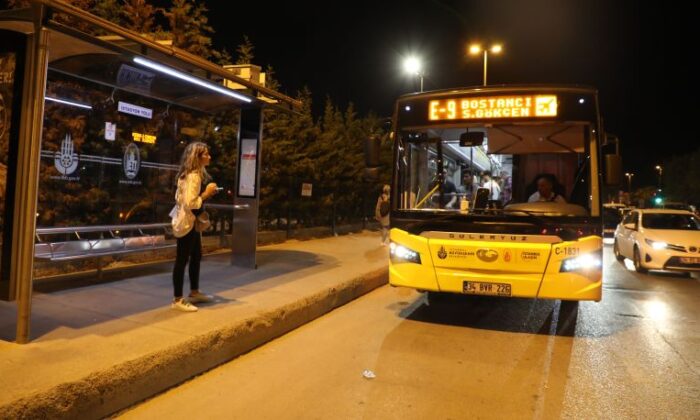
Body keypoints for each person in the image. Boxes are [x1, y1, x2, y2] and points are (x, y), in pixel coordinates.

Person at [170, 142, 219, 312]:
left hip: (186, 221)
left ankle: (194, 292)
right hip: (187, 223)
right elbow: (191, 203)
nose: (209, 157)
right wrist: (207, 193)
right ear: (197, 157)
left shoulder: (187, 174)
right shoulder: (194, 177)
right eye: (205, 154)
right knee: (182, 259)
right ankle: (177, 299)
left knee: (196, 255)